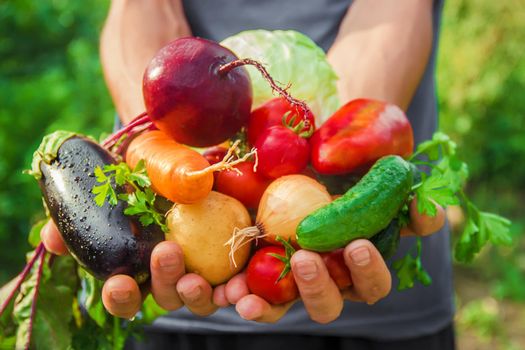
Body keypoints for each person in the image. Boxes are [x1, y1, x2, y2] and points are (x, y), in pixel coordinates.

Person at [41, 0, 456, 348]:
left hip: (379, 321)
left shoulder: (301, 140)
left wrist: (337, 151)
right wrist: (155, 142)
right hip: (161, 291)